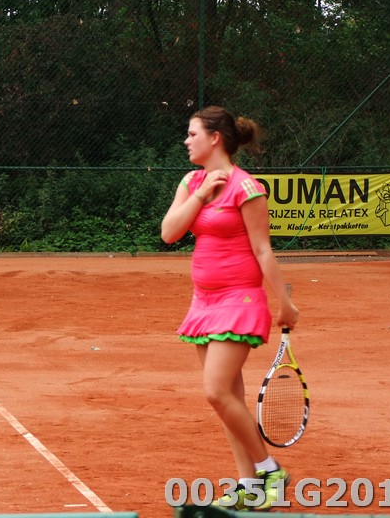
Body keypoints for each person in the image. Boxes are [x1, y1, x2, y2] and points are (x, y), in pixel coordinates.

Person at [160, 105, 299, 511]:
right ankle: (249, 485)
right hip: (203, 302)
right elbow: (169, 232)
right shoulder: (192, 182)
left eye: (192, 134)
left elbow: (262, 249)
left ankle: (270, 470)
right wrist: (201, 194)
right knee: (229, 399)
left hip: (240, 300)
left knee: (216, 391)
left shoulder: (247, 188)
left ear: (214, 138)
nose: (186, 141)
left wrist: (285, 302)